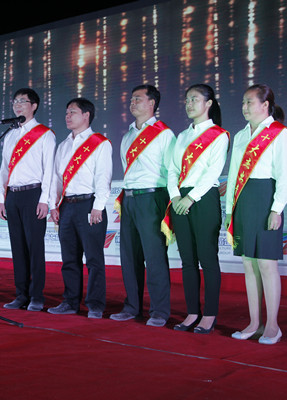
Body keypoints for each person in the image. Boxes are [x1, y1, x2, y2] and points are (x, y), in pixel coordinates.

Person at [225, 84, 287, 345]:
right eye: (243, 102)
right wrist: (230, 209)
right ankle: (254, 322)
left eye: (249, 102)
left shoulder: (279, 133)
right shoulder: (241, 135)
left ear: (265, 105)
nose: (244, 107)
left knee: (266, 263)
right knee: (248, 263)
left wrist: (276, 209)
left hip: (266, 199)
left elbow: (284, 176)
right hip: (243, 200)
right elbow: (233, 176)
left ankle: (273, 326)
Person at [163, 84, 229, 334]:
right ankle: (192, 312)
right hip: (179, 199)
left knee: (207, 258)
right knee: (187, 260)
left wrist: (190, 198)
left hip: (203, 199)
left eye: (195, 99)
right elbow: (172, 169)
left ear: (208, 103)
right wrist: (175, 196)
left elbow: (213, 172)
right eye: (187, 99)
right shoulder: (182, 136)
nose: (189, 104)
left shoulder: (219, 135)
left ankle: (209, 315)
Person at [111, 85, 176, 327]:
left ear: (152, 103)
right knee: (130, 256)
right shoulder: (127, 135)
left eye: (138, 99)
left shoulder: (164, 134)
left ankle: (159, 311)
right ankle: (132, 307)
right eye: (131, 99)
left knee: (154, 256)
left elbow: (172, 171)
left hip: (152, 198)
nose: (133, 103)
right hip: (129, 198)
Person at [48, 98, 112, 319]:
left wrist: (98, 207)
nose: (67, 116)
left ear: (86, 115)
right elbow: (57, 178)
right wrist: (54, 204)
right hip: (67, 205)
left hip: (89, 205)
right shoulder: (63, 145)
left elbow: (103, 177)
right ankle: (70, 301)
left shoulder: (100, 143)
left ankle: (95, 304)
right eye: (66, 112)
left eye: (72, 112)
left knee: (93, 258)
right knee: (69, 258)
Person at [0, 88, 56, 311]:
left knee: (34, 248)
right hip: (13, 195)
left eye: (23, 101)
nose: (18, 105)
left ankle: (37, 296)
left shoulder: (45, 134)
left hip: (34, 195)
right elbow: (4, 169)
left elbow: (49, 170)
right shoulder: (10, 135)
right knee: (18, 247)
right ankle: (21, 294)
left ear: (34, 106)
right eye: (15, 101)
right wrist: (1, 198)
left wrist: (45, 200)